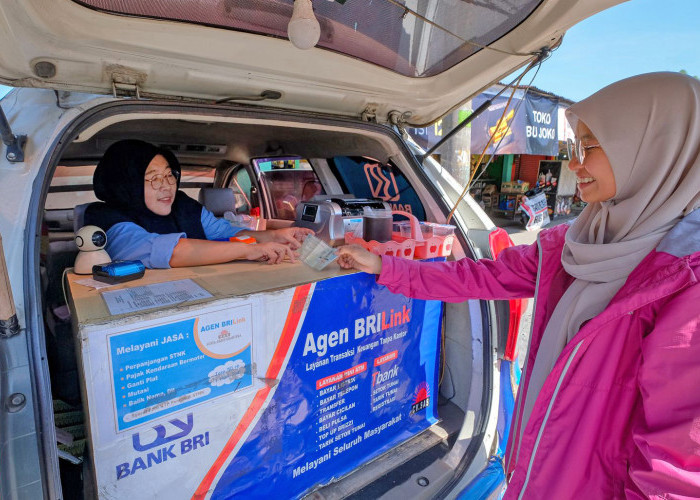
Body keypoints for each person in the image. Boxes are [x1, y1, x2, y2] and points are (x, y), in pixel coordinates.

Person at [337, 72, 700, 498]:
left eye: (590, 147)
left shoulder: (683, 283)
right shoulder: (575, 241)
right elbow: (481, 275)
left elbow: (675, 464)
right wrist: (385, 267)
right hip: (533, 476)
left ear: (653, 147)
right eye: (574, 147)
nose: (575, 164)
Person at [84, 140, 313, 268]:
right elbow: (165, 251)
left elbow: (227, 232)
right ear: (125, 183)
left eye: (169, 175)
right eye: (153, 178)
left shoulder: (184, 206)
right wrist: (249, 250)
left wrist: (274, 236)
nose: (167, 186)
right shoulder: (104, 218)